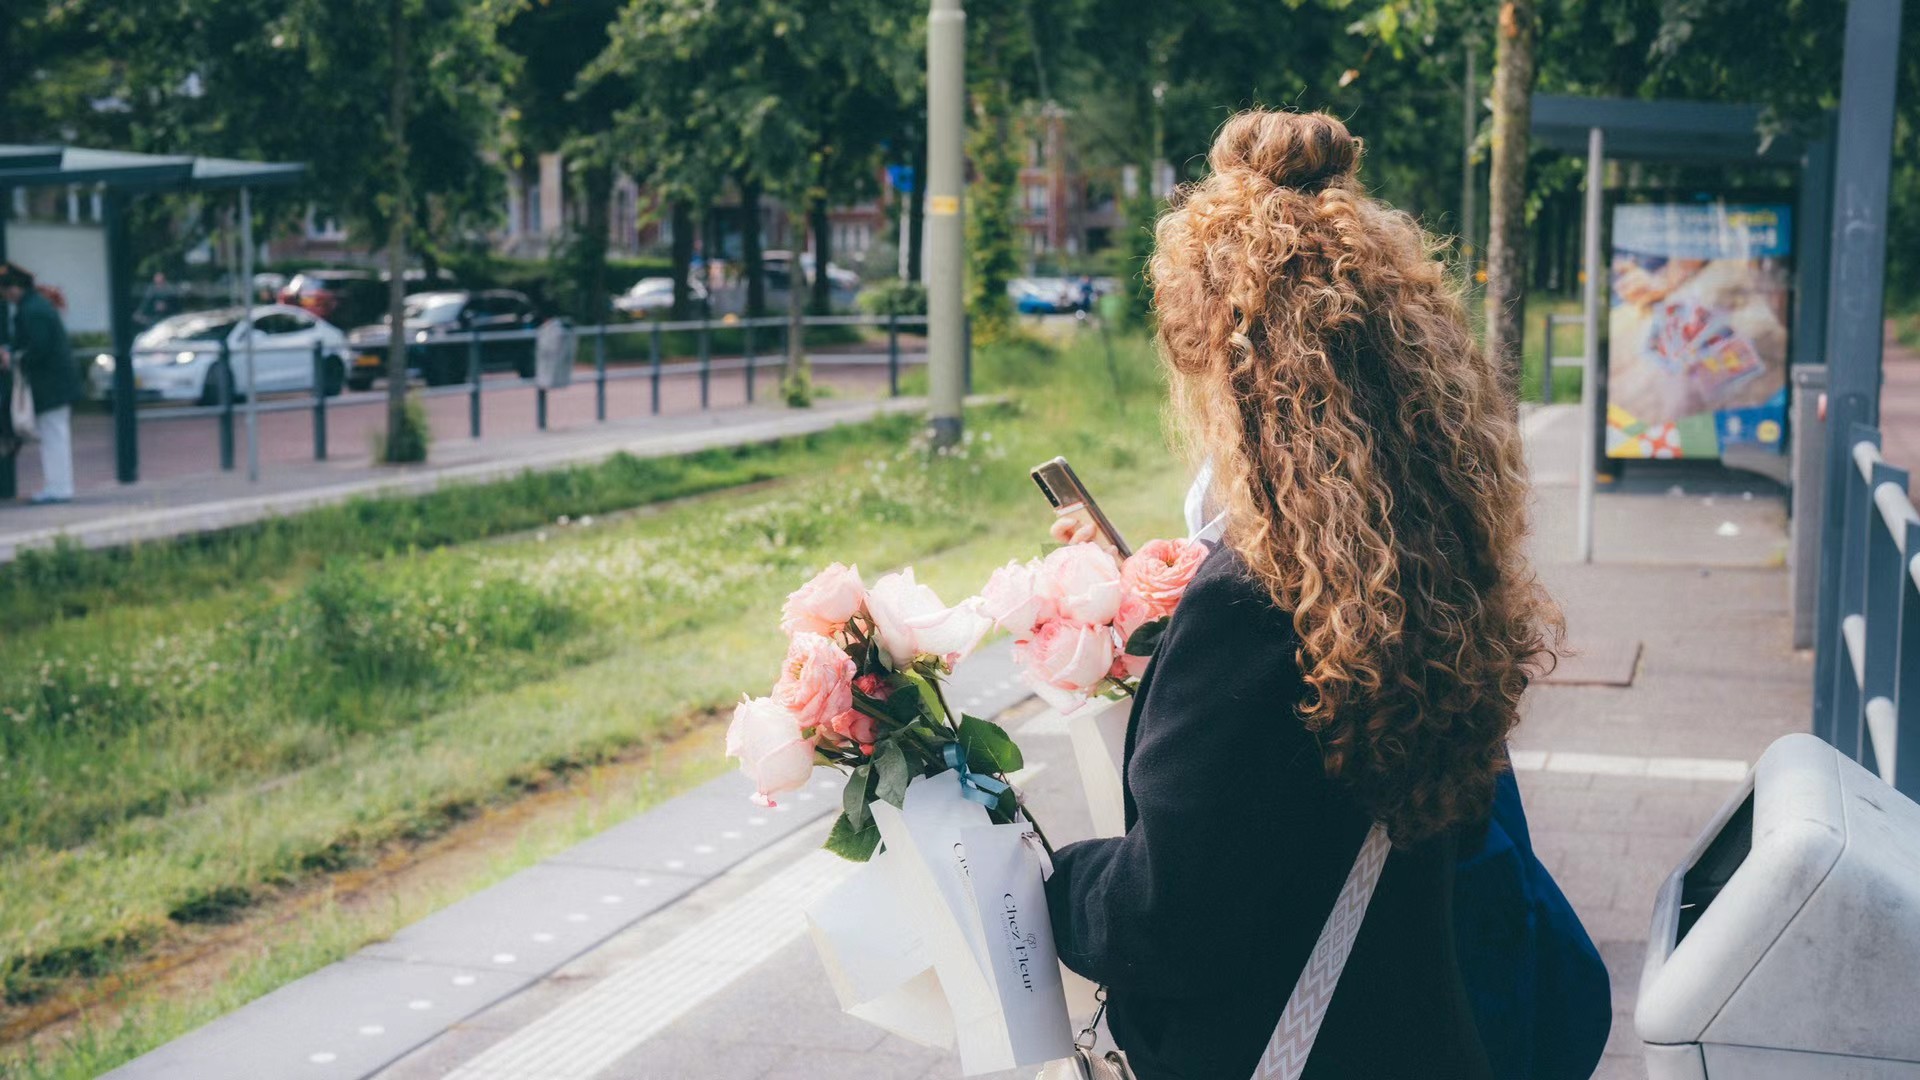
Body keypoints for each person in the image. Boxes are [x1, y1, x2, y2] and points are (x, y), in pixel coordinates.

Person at [1042, 110, 1565, 1079]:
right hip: (1414, 1030)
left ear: (1238, 372)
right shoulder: (1430, 556)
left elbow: (1172, 919)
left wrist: (1059, 881)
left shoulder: (1254, 608)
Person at [1, 263, 80, 503]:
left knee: (53, 435)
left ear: (13, 288)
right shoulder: (37, 306)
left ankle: (59, 488)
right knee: (55, 434)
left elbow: (38, 348)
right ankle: (59, 486)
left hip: (50, 384)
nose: (4, 297)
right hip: (56, 383)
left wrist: (13, 357)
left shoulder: (31, 310)